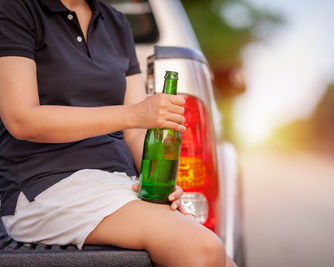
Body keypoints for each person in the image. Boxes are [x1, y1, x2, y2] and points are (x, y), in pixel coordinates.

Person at [0, 0, 236, 266]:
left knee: (223, 260)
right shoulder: (16, 8)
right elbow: (22, 120)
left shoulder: (115, 21)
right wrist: (135, 114)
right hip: (45, 186)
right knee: (203, 249)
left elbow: (134, 133)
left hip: (118, 183)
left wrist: (159, 185)